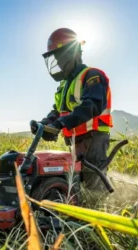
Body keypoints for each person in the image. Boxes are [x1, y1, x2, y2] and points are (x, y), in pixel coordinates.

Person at [31, 28, 113, 192]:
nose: (58, 63)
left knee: (93, 188)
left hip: (93, 139)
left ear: (73, 53)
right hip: (76, 142)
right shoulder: (65, 84)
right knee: (78, 184)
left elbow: (91, 105)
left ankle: (104, 211)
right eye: (55, 58)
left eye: (60, 57)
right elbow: (58, 111)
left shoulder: (92, 75)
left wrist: (61, 123)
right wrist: (45, 125)